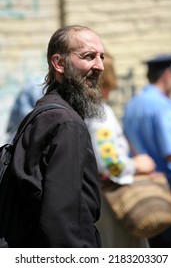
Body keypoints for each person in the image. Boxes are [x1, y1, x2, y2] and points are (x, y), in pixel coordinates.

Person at [5, 25, 105, 248]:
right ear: (59, 63)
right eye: (88, 56)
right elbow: (63, 219)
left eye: (101, 57)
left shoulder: (44, 112)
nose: (99, 66)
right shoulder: (66, 123)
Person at [85, 51, 155, 247]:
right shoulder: (98, 113)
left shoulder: (80, 109)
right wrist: (137, 165)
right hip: (111, 203)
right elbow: (111, 164)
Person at [123, 53, 171, 248]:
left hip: (142, 195)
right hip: (166, 195)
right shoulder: (161, 104)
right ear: (167, 75)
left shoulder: (134, 104)